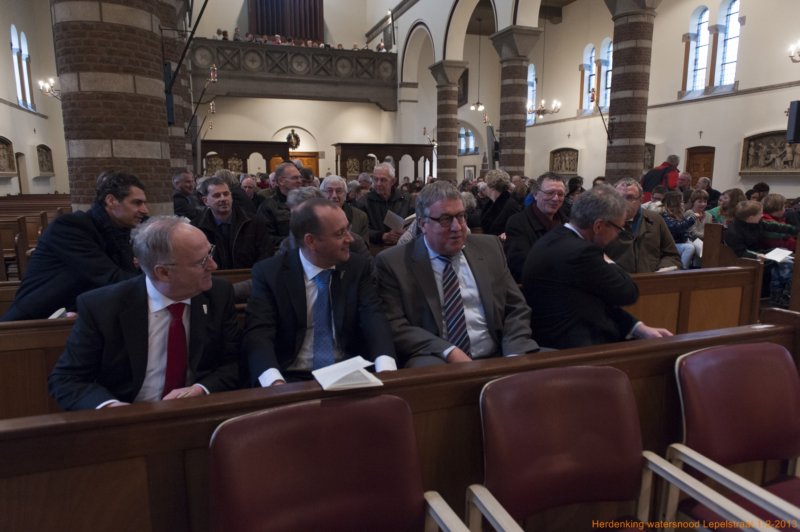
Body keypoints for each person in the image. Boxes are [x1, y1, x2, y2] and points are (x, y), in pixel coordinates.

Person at [48, 216, 241, 410]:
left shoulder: (218, 295)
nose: (214, 265)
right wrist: (112, 408)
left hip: (197, 411)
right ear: (163, 273)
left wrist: (202, 388)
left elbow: (234, 363)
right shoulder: (103, 307)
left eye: (210, 253)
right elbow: (67, 379)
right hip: (128, 417)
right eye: (202, 261)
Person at [374, 181, 539, 368]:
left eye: (461, 216)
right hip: (438, 357)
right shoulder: (394, 263)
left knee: (559, 371)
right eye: (445, 219)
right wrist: (449, 351)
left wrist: (514, 352)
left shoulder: (489, 248)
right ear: (422, 224)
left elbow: (516, 307)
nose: (457, 227)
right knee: (430, 372)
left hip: (500, 352)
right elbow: (395, 325)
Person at [243, 198, 397, 386]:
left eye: (347, 229)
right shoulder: (270, 273)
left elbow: (374, 318)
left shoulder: (357, 267)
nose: (350, 238)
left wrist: (386, 369)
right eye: (340, 233)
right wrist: (274, 382)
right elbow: (259, 335)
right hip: (290, 376)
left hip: (349, 370)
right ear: (311, 241)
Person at [521, 185, 673, 349]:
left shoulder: (555, 238)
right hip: (573, 349)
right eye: (619, 229)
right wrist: (605, 257)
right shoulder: (581, 252)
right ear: (598, 226)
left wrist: (638, 328)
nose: (617, 235)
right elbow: (628, 292)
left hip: (564, 337)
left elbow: (593, 300)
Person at [2, 171, 147, 321]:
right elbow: (110, 277)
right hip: (35, 322)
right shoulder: (71, 227)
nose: (144, 209)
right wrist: (158, 286)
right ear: (111, 201)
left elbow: (126, 275)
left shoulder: (119, 231)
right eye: (137, 203)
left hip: (76, 317)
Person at [725, 200, 796, 307]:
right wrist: (757, 256)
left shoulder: (758, 223)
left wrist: (794, 230)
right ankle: (777, 296)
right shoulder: (733, 231)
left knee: (787, 254)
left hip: (759, 254)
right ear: (750, 218)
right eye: (759, 214)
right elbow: (741, 252)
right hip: (747, 259)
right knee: (785, 263)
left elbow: (775, 226)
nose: (762, 215)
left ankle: (785, 293)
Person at [192, 177, 273, 269]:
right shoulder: (196, 228)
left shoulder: (254, 222)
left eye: (226, 194)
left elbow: (266, 254)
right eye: (217, 196)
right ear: (206, 201)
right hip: (213, 276)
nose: (223, 199)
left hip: (249, 275)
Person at [605, 178, 682, 273]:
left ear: (641, 199)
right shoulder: (605, 222)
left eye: (629, 197)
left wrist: (662, 270)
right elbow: (595, 255)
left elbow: (672, 255)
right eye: (619, 198)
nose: (623, 202)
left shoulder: (655, 220)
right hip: (617, 279)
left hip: (650, 278)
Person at [504, 172, 569, 282]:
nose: (555, 198)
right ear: (535, 194)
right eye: (550, 193)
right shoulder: (518, 222)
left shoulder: (567, 222)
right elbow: (521, 265)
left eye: (560, 194)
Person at [357, 162, 412, 246]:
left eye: (383, 180)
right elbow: (360, 229)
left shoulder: (406, 199)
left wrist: (406, 232)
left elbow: (415, 224)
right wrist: (381, 236)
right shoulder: (364, 202)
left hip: (402, 246)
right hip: (375, 248)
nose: (378, 184)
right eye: (376, 179)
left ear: (393, 181)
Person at [256, 161, 302, 239]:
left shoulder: (306, 202)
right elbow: (266, 239)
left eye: (300, 177)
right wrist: (295, 242)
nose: (299, 181)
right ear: (281, 181)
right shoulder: (268, 207)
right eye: (295, 178)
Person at [320, 174, 369, 243]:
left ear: (345, 195)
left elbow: (364, 247)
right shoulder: (315, 216)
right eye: (329, 191)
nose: (334, 195)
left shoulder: (360, 217)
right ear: (321, 194)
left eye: (339, 191)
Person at [661, 191, 698, 269]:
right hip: (668, 244)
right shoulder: (664, 214)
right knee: (689, 248)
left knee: (697, 246)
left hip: (679, 242)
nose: (683, 203)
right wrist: (692, 218)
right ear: (674, 203)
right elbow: (676, 227)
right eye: (681, 201)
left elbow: (684, 231)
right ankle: (680, 270)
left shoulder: (679, 214)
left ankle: (697, 268)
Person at [480, 169, 521, 237]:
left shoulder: (511, 206)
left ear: (492, 186)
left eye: (486, 184)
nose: (485, 187)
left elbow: (518, 230)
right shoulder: (491, 203)